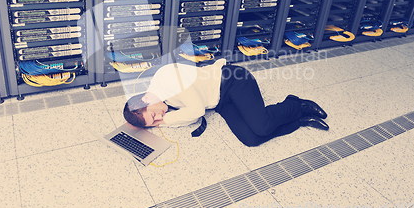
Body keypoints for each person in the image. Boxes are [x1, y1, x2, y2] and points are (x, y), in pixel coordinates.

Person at [123, 58, 329, 147]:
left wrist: (162, 122)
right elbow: (190, 115)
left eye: (154, 115)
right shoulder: (160, 100)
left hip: (233, 81)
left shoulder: (168, 78)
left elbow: (195, 110)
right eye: (155, 121)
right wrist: (151, 121)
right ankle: (299, 120)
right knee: (252, 139)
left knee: (262, 125)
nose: (160, 117)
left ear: (146, 99)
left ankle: (296, 104)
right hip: (219, 101)